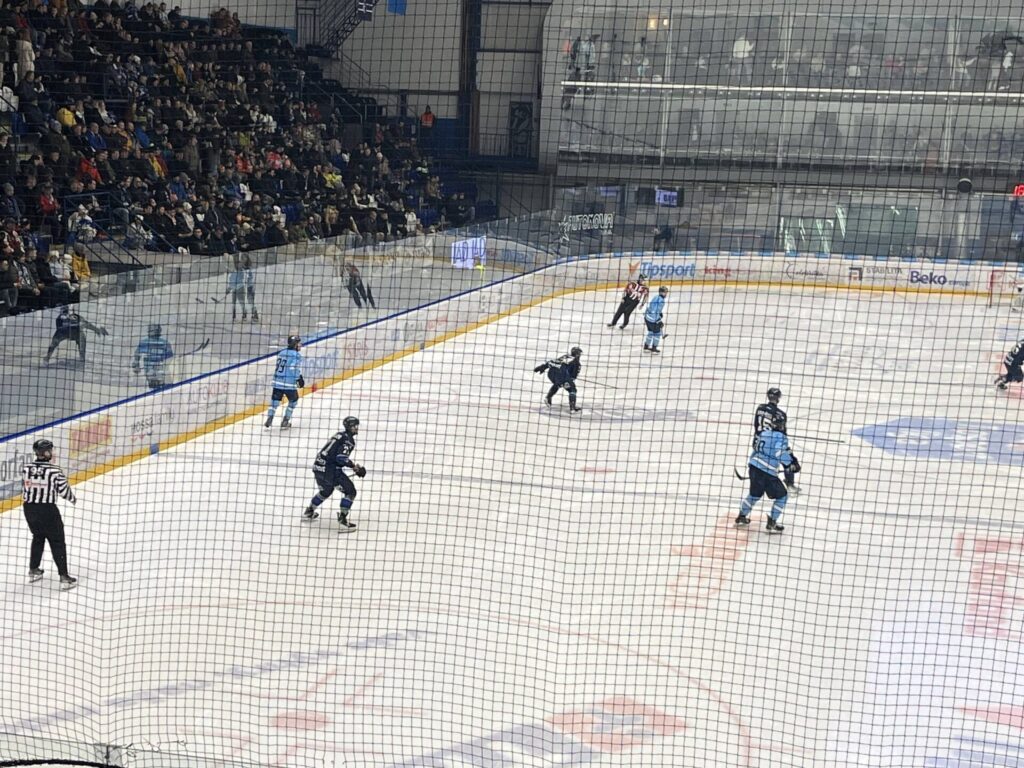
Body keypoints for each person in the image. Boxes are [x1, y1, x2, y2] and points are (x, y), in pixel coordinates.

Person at [21, 438, 77, 589]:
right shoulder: (54, 470)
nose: (51, 452)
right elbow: (64, 491)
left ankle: (34, 570)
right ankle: (64, 577)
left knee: (38, 537)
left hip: (29, 509)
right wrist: (73, 499)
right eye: (50, 450)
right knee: (57, 541)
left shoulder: (26, 468)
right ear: (45, 452)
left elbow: (25, 488)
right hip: (47, 510)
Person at [735, 412, 794, 534]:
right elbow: (779, 452)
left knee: (755, 494)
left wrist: (754, 464)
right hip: (768, 472)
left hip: (754, 466)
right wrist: (790, 464)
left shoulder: (763, 433)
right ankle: (772, 521)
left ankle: (742, 515)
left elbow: (755, 448)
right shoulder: (781, 437)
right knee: (782, 496)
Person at [303, 416, 365, 533]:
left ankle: (309, 511)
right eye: (355, 426)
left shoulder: (338, 434)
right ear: (350, 427)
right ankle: (342, 520)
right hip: (330, 471)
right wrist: (355, 467)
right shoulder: (349, 440)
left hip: (318, 467)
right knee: (350, 492)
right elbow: (340, 458)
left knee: (325, 491)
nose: (356, 428)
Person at [754, 387, 801, 494]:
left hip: (758, 441)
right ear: (778, 397)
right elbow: (781, 435)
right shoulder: (780, 414)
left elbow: (756, 425)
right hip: (772, 443)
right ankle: (789, 484)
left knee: (761, 460)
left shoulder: (760, 408)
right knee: (787, 459)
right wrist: (792, 459)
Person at [44, 306, 108, 364]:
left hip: (71, 333)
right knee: (55, 341)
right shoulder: (62, 318)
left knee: (81, 337)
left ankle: (82, 357)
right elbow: (86, 324)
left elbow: (86, 324)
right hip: (68, 332)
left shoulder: (70, 317)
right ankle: (47, 358)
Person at [265, 335, 304, 430]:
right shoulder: (296, 355)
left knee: (274, 402)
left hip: (277, 381)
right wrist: (298, 378)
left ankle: (270, 417)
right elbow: (293, 368)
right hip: (289, 384)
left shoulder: (281, 353)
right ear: (295, 344)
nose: (300, 345)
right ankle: (285, 421)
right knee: (293, 401)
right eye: (299, 343)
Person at [534, 346, 583, 412]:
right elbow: (573, 377)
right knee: (572, 389)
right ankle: (572, 408)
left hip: (551, 374)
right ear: (578, 354)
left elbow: (552, 362)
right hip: (561, 375)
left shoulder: (565, 356)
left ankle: (548, 397)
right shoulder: (576, 363)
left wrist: (543, 367)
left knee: (558, 384)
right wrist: (569, 380)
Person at [131, 323, 175, 389]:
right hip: (153, 371)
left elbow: (170, 358)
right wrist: (136, 364)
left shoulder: (164, 343)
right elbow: (137, 355)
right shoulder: (145, 343)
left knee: (159, 386)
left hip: (159, 371)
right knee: (157, 386)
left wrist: (136, 365)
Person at [643, 286, 669, 353]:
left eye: (666, 292)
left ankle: (646, 346)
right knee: (657, 333)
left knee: (651, 332)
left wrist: (660, 313)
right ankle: (654, 348)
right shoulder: (661, 301)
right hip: (653, 319)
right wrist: (659, 321)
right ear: (660, 292)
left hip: (647, 317)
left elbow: (652, 307)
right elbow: (654, 311)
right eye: (665, 292)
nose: (666, 294)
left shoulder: (656, 297)